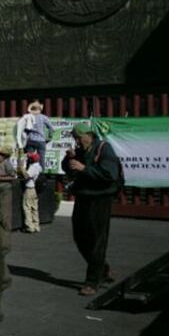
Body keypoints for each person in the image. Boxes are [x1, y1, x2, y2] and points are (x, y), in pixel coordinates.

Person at [62, 122, 122, 296]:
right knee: (80, 237)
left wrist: (84, 168)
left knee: (97, 240)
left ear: (89, 135)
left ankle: (92, 281)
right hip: (83, 197)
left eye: (79, 138)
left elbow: (109, 174)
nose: (77, 142)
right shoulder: (80, 151)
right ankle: (103, 268)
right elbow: (67, 169)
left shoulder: (104, 149)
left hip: (100, 199)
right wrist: (69, 159)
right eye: (75, 138)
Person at [20, 150, 43, 233]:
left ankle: (30, 226)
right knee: (34, 208)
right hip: (35, 189)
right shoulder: (39, 166)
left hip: (29, 188)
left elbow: (26, 176)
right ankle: (36, 225)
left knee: (27, 207)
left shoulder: (33, 167)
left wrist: (22, 167)